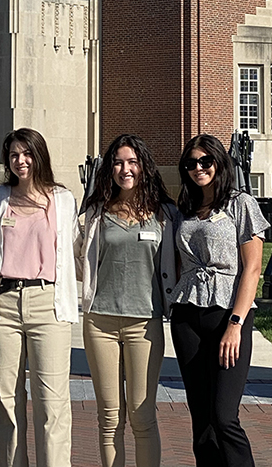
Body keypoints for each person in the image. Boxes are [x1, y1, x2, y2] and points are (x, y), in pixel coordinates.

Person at [0, 128, 80, 467]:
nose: (21, 161)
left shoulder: (62, 199)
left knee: (52, 402)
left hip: (47, 303)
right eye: (13, 155)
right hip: (3, 304)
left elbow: (76, 250)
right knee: (6, 400)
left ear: (40, 155)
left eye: (27, 154)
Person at [77, 134, 177, 467]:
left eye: (132, 162)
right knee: (109, 417)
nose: (125, 169)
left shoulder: (164, 214)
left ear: (143, 166)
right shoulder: (96, 212)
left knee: (142, 414)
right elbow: (78, 259)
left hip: (144, 324)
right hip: (99, 322)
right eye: (118, 162)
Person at [170, 134, 269, 467]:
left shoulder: (241, 204)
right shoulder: (185, 208)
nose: (198, 168)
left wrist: (236, 324)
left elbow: (252, 269)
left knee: (224, 416)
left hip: (228, 312)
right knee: (202, 418)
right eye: (191, 164)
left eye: (205, 161)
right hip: (186, 315)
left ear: (218, 162)